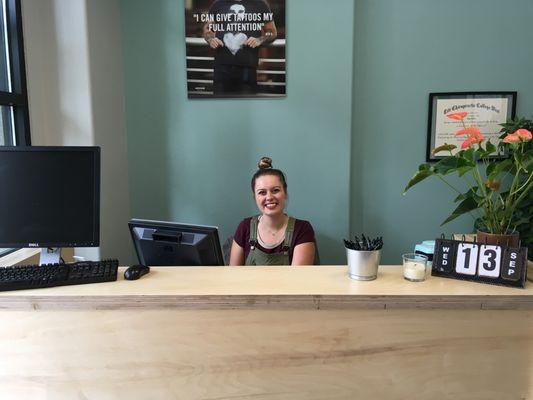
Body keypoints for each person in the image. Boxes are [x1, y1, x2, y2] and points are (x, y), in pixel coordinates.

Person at [229, 157, 316, 266]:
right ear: (255, 197)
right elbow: (234, 276)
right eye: (262, 192)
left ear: (285, 192)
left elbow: (297, 280)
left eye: (275, 190)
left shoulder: (302, 229)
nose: (269, 197)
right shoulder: (244, 227)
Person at [203, 0, 277, 95]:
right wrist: (211, 39)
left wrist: (260, 40)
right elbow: (207, 29)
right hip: (221, 67)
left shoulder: (259, 4)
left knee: (246, 107)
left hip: (247, 67)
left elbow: (272, 32)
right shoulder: (218, 3)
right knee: (220, 106)